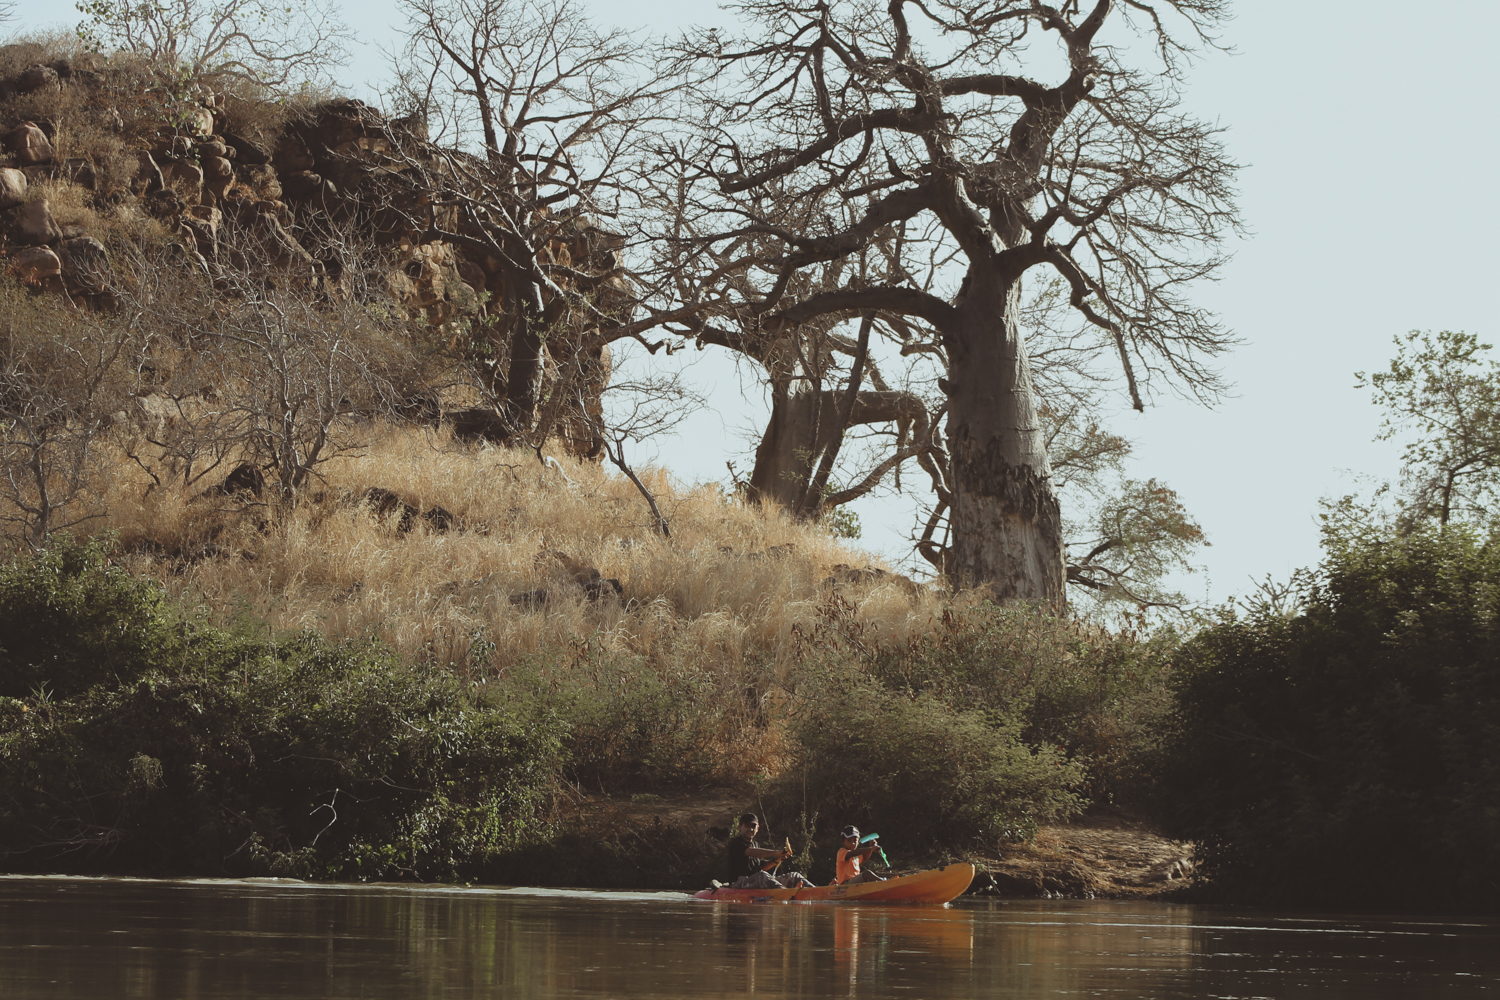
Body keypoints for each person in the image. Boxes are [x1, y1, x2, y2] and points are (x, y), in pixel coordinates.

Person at [716, 813, 814, 889]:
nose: (750, 829)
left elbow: (763, 866)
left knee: (794, 876)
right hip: (739, 884)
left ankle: (818, 890)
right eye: (747, 826)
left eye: (753, 826)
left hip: (757, 881)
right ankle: (785, 892)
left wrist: (776, 859)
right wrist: (776, 852)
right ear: (740, 827)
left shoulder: (756, 844)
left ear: (757, 828)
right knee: (762, 875)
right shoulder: (736, 843)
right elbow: (753, 852)